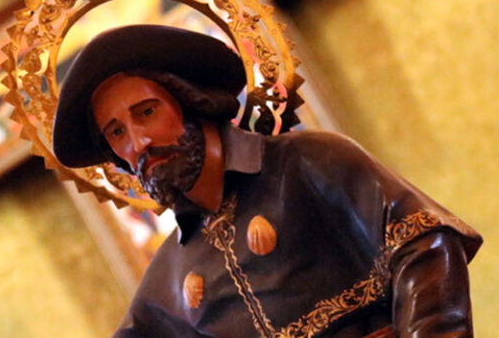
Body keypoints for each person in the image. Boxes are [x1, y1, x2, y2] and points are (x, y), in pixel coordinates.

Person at [52, 25, 482, 338]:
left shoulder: (309, 162)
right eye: (117, 133)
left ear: (189, 100)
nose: (138, 142)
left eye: (146, 112)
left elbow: (425, 243)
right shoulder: (167, 280)